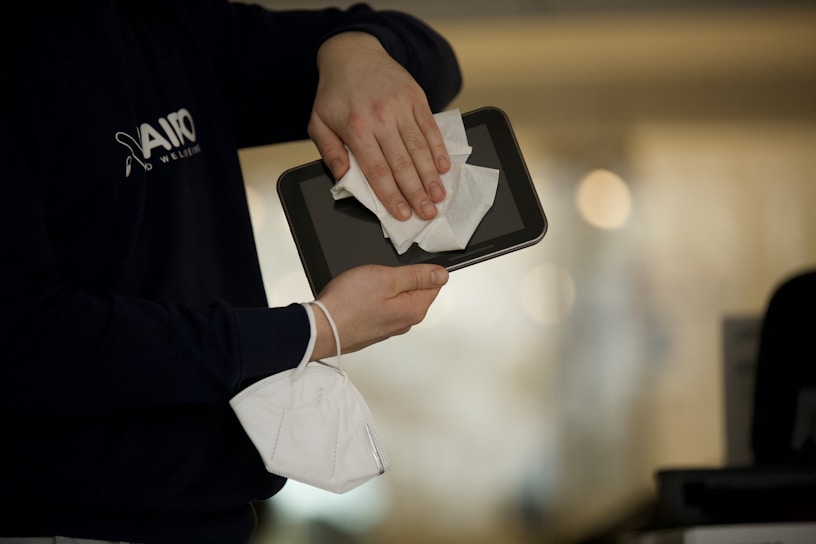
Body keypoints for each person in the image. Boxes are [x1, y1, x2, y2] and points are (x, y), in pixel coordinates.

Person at [0, 1, 462, 543]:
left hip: (217, 518)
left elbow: (436, 62)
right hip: (63, 523)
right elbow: (26, 342)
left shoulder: (174, 26)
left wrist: (355, 52)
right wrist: (306, 329)